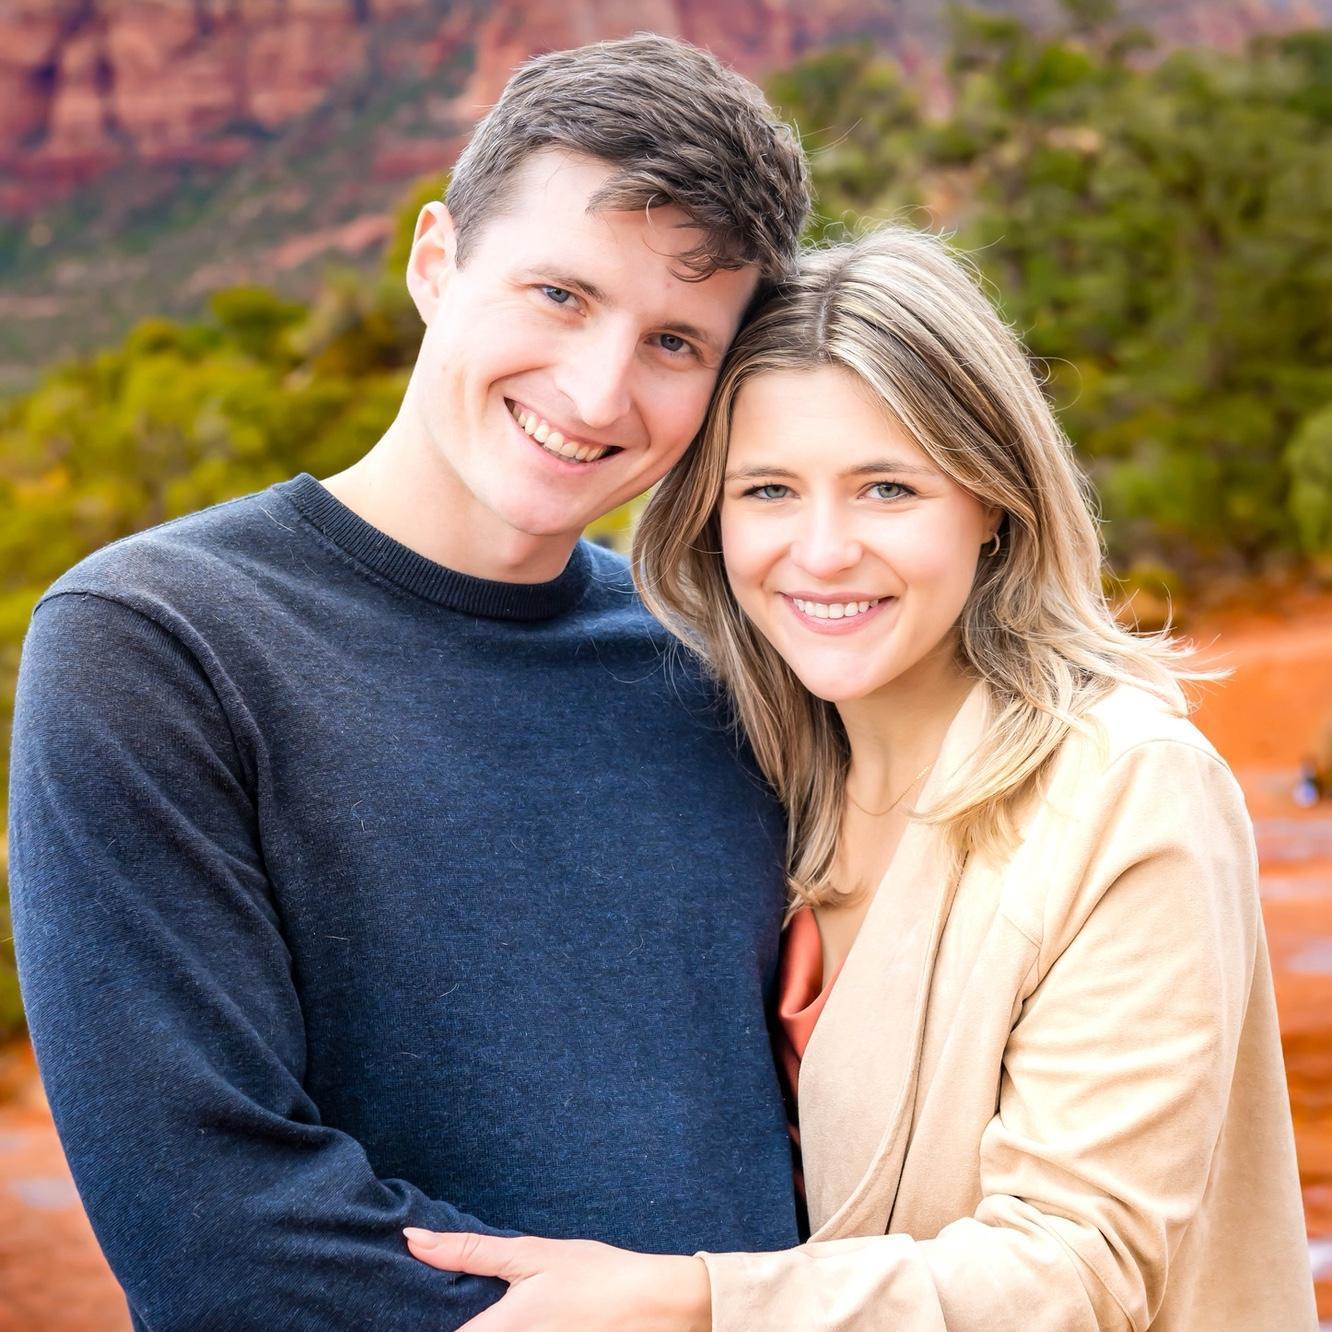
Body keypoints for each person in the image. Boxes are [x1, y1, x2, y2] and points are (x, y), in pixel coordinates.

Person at [7, 36, 812, 1331]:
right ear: (435, 262)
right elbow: (216, 1230)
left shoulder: (732, 663)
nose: (598, 387)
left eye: (675, 340)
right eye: (559, 295)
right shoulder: (155, 641)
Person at [404, 229, 1319, 1329]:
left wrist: (686, 1301)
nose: (823, 550)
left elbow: (1081, 1268)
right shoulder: (747, 769)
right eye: (771, 490)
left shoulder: (1125, 788)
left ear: (993, 504)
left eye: (888, 488)